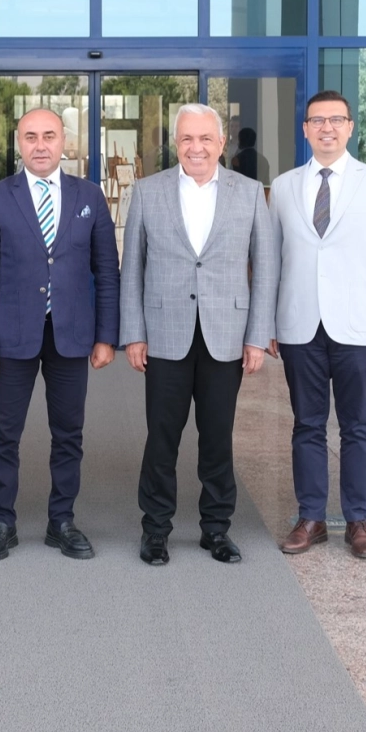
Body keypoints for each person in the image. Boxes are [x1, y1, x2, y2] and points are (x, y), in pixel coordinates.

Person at [121, 103, 277, 566]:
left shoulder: (249, 192)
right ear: (176, 143)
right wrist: (134, 333)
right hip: (164, 333)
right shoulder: (148, 191)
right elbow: (132, 267)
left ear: (221, 142)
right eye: (187, 138)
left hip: (225, 334)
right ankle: (155, 529)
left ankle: (216, 529)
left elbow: (266, 267)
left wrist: (256, 336)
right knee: (161, 439)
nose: (196, 147)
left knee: (217, 439)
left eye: (206, 138)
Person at [0, 108, 119, 562]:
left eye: (48, 135)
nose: (40, 145)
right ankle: (2, 522)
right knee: (4, 434)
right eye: (30, 136)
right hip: (12, 336)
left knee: (68, 433)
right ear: (19, 142)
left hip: (71, 334)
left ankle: (62, 521)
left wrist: (107, 336)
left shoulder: (89, 195)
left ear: (63, 140)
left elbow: (107, 271)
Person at [268, 92, 366, 559]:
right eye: (317, 120)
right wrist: (268, 323)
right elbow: (271, 261)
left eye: (335, 120)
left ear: (350, 127)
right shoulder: (283, 186)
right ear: (305, 129)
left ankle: (357, 521)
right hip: (299, 325)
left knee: (357, 426)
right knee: (306, 425)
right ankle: (310, 518)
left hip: (359, 328)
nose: (326, 128)